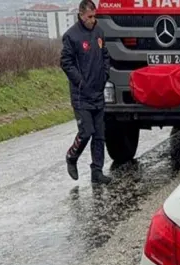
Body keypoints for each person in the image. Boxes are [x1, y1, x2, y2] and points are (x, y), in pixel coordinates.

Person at [60, 0, 112, 185]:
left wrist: (105, 74)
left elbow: (105, 55)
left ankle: (97, 171)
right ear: (81, 15)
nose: (92, 20)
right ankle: (71, 156)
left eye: (94, 16)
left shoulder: (99, 32)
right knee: (86, 132)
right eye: (89, 17)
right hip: (81, 95)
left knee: (99, 135)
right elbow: (65, 62)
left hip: (98, 92)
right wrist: (80, 82)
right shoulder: (71, 36)